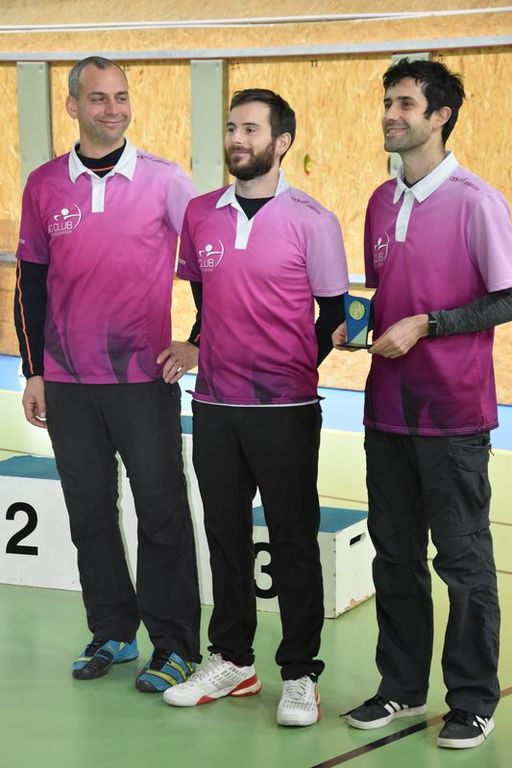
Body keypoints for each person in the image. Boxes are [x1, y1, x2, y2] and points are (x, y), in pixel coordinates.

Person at [333, 58, 512, 749]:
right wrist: (362, 328)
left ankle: (472, 700)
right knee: (394, 558)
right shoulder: (382, 200)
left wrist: (429, 325)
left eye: (406, 104)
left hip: (453, 418)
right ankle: (401, 687)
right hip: (386, 412)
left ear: (440, 117)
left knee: (463, 563)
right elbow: (388, 291)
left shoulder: (477, 201)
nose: (390, 114)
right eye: (388, 101)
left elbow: (506, 296)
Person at [158, 88, 349, 726]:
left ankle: (300, 672)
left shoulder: (314, 220)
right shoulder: (200, 215)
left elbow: (332, 314)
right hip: (214, 404)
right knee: (225, 535)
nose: (237, 139)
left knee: (292, 539)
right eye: (232, 127)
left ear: (281, 142)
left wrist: (294, 367)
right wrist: (197, 343)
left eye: (251, 129)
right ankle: (233, 660)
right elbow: (207, 303)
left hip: (286, 408)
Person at [14, 56, 201, 693]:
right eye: (98, 98)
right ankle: (113, 631)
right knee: (89, 512)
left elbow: (211, 266)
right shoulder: (44, 185)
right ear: (73, 106)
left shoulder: (166, 181)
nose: (113, 108)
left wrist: (197, 340)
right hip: (68, 383)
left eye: (121, 96)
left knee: (161, 512)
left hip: (143, 381)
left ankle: (174, 645)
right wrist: (34, 370)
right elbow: (30, 284)